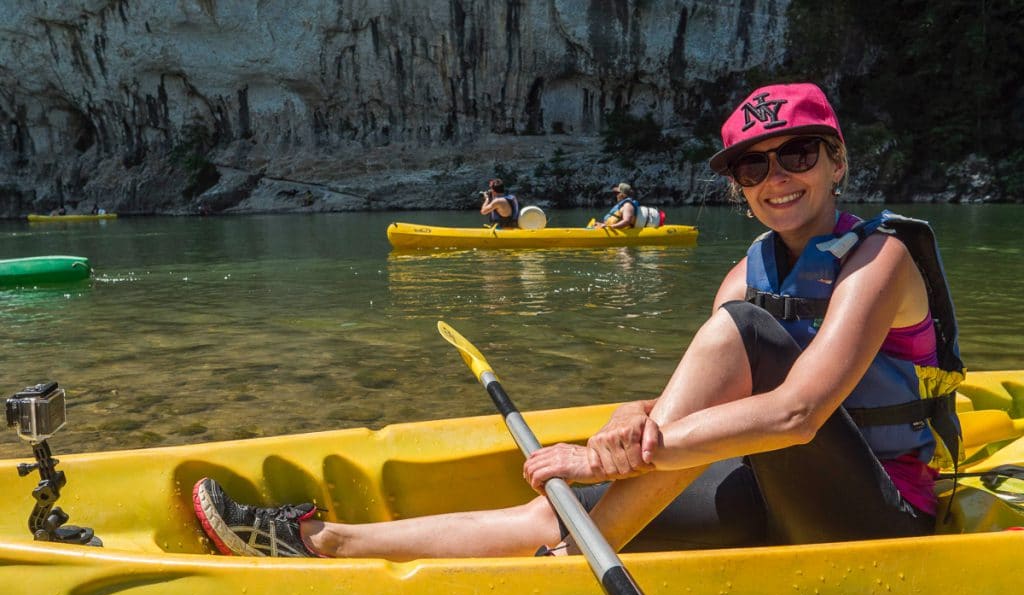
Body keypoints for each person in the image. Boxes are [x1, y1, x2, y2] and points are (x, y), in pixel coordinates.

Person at [193, 83, 964, 559]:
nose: (775, 179)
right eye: (751, 166)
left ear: (836, 160)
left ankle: (586, 552)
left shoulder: (881, 258)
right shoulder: (747, 271)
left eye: (795, 154)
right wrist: (637, 423)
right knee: (553, 508)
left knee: (741, 334)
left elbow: (796, 413)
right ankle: (322, 540)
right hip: (777, 492)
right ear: (738, 185)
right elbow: (709, 399)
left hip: (878, 515)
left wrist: (624, 454)